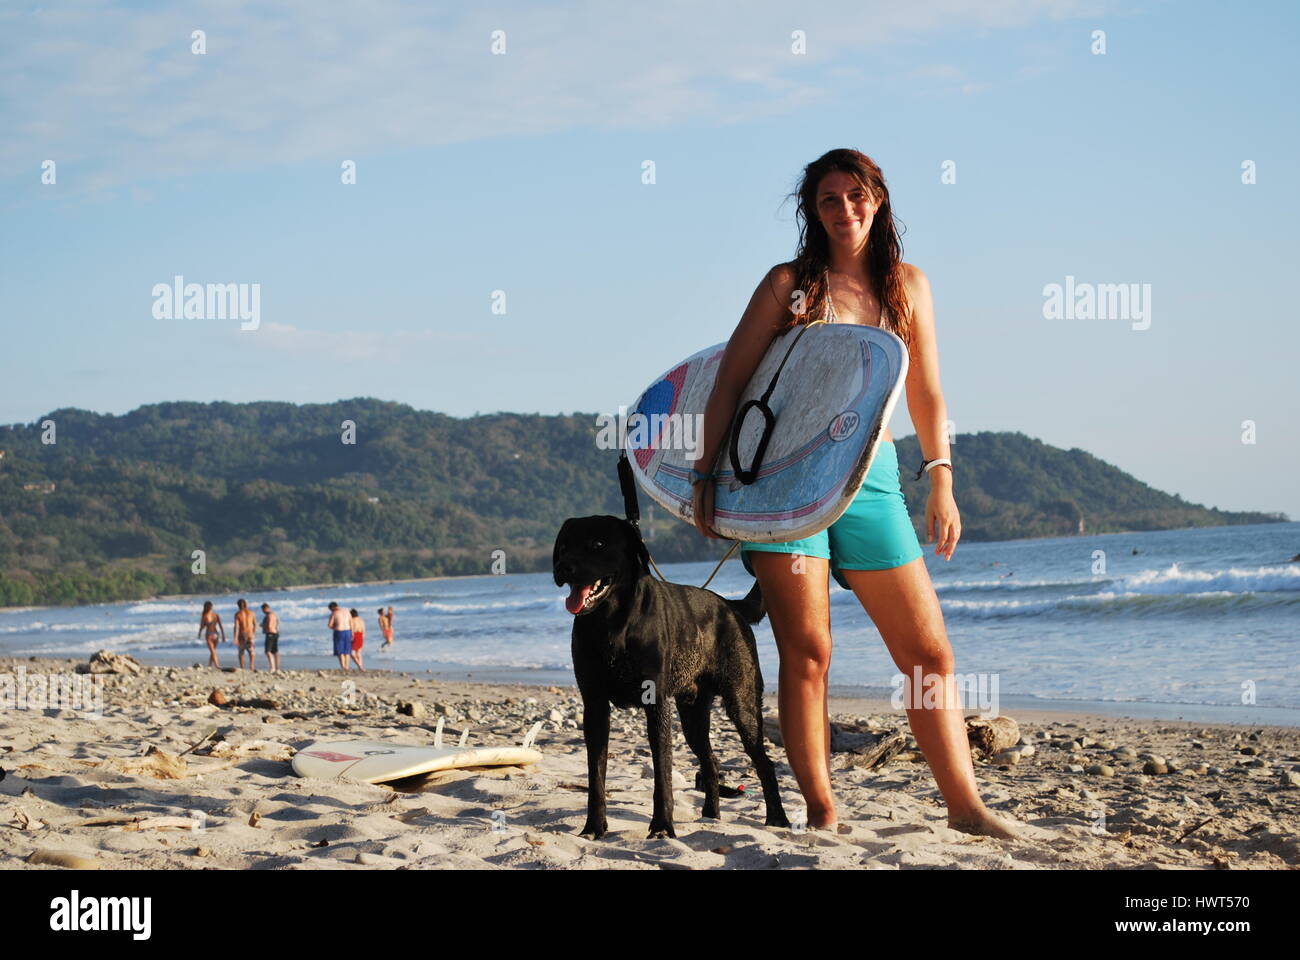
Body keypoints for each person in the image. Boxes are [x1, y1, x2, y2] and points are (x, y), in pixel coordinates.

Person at [689, 149, 1019, 839]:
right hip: (785, 485)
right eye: (830, 199)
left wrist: (941, 478)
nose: (846, 210)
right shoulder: (790, 286)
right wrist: (704, 477)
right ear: (814, 210)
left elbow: (926, 390)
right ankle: (822, 810)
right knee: (809, 650)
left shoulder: (909, 286)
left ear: (879, 199)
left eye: (857, 195)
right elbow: (730, 382)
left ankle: (965, 806)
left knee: (930, 655)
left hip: (873, 477)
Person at [198, 601, 224, 668]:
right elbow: (202, 626)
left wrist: (199, 633)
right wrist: (200, 633)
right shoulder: (211, 615)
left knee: (213, 651)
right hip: (213, 634)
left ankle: (215, 665)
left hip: (212, 634)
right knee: (213, 651)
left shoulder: (211, 615)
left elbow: (202, 626)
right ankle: (214, 665)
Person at [233, 598, 258, 671]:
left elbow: (236, 627)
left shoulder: (238, 614)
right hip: (250, 634)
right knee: (251, 651)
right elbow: (255, 624)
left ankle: (242, 667)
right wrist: (253, 633)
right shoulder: (252, 613)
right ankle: (252, 666)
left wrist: (235, 637)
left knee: (241, 652)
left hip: (242, 634)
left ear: (238, 605)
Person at [327, 601, 352, 671]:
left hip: (339, 631)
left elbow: (329, 625)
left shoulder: (334, 613)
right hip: (348, 631)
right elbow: (351, 622)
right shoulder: (347, 611)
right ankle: (347, 666)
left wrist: (334, 627)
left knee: (340, 651)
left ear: (332, 608)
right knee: (347, 651)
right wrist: (352, 632)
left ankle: (343, 667)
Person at [261, 602, 281, 672]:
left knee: (267, 651)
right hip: (276, 633)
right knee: (275, 651)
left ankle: (272, 667)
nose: (263, 612)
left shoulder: (269, 615)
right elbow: (278, 622)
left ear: (265, 609)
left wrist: (264, 626)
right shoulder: (274, 614)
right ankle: (277, 667)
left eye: (263, 610)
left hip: (270, 633)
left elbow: (269, 625)